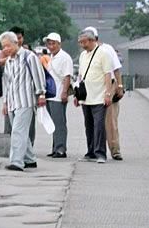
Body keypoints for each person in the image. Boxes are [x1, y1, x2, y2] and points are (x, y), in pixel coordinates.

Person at [0, 31, 46, 172]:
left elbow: (38, 75)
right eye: (3, 47)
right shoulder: (9, 61)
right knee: (20, 131)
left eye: (8, 46)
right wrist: (5, 102)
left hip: (25, 101)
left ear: (16, 43)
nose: (5, 49)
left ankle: (17, 162)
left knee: (18, 132)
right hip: (13, 102)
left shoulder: (29, 56)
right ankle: (30, 159)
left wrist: (41, 94)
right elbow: (7, 83)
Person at [73, 29, 113, 164]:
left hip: (99, 96)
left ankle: (100, 153)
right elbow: (80, 75)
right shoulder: (83, 55)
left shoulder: (103, 54)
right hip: (86, 97)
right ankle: (90, 152)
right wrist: (77, 95)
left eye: (83, 42)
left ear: (91, 40)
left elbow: (108, 74)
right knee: (88, 125)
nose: (81, 45)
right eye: (80, 42)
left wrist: (108, 93)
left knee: (99, 125)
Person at [86, 26, 125, 161]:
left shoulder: (107, 49)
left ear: (94, 39)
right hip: (92, 90)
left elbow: (116, 69)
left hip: (108, 87)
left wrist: (119, 86)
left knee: (110, 120)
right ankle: (94, 150)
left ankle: (115, 149)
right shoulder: (85, 53)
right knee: (93, 122)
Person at [43, 33, 72, 158]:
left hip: (59, 95)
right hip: (50, 94)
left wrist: (64, 92)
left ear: (59, 44)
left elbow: (67, 76)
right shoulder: (51, 57)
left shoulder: (65, 57)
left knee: (59, 123)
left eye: (53, 43)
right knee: (53, 123)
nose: (51, 46)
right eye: (49, 43)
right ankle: (55, 147)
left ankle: (61, 149)